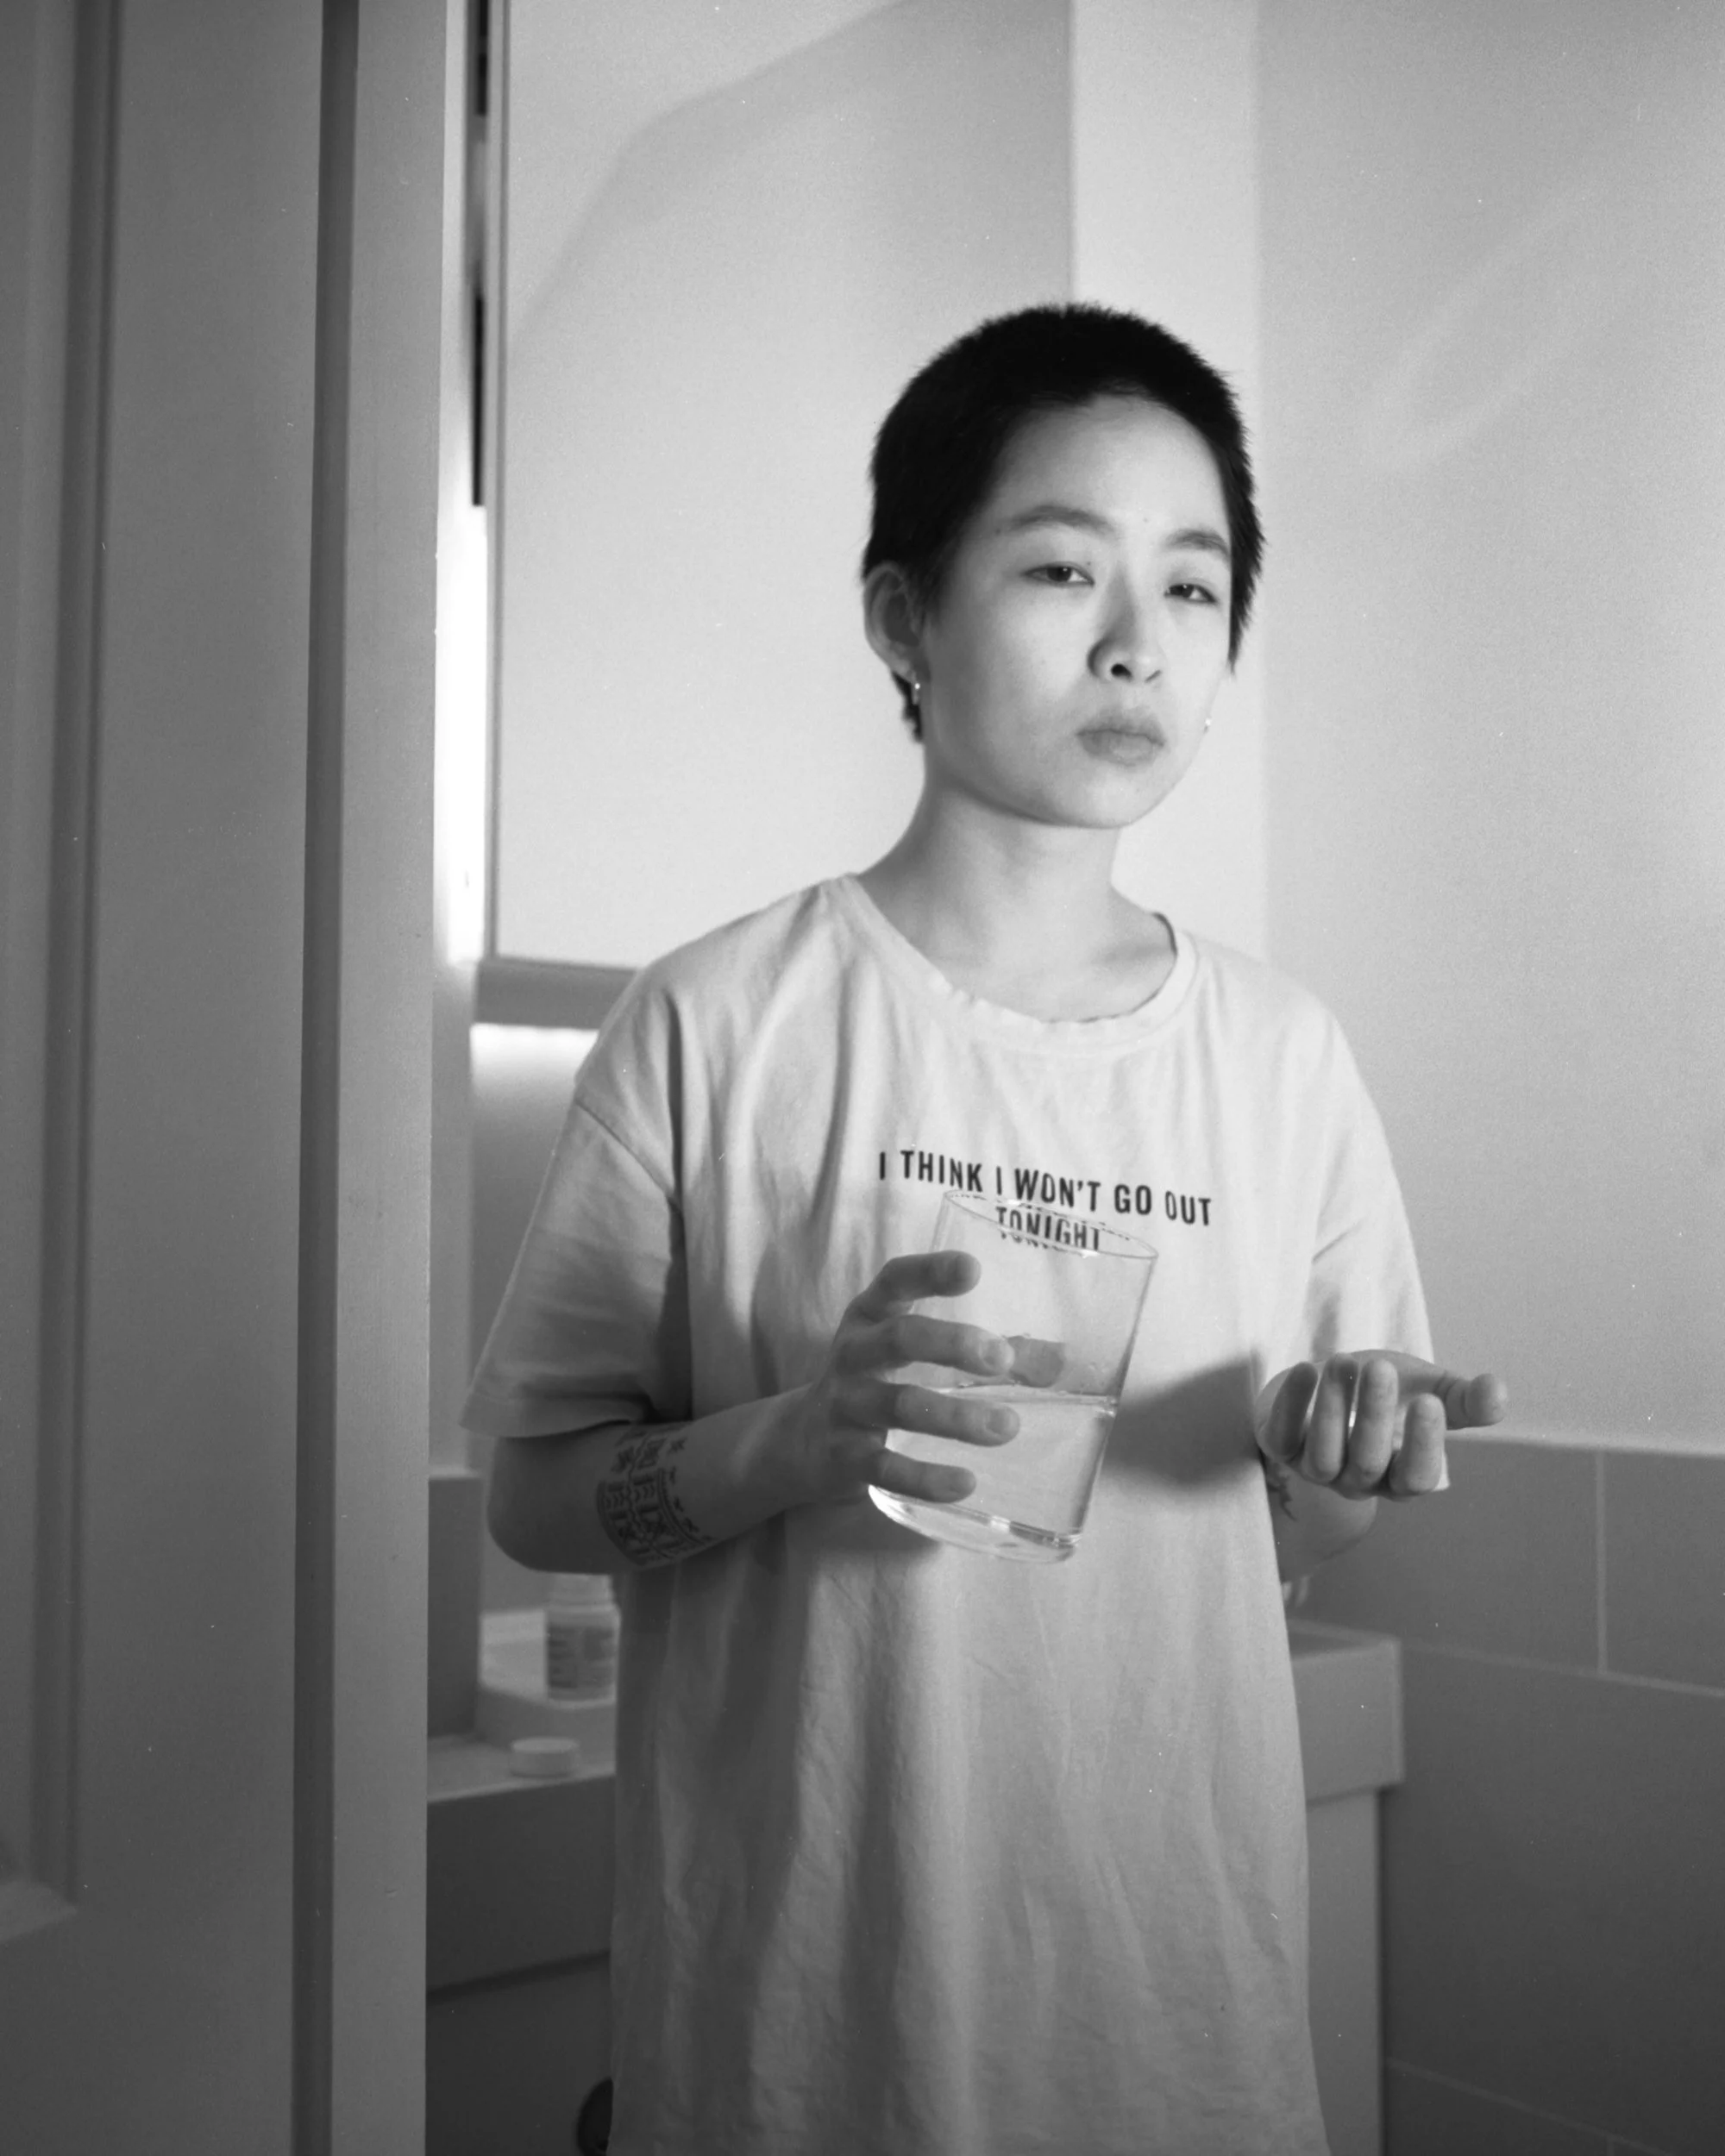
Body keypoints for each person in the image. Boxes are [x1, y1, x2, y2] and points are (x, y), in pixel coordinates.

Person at [466, 304, 1508, 2155]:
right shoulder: (719, 1022)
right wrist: (795, 1439)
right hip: (800, 2037)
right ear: (902, 617)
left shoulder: (1283, 1055)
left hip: (1179, 2026)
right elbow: (538, 1497)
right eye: (1058, 567)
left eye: (1193, 587)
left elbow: (1302, 1533)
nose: (1136, 641)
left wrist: (1326, 1453)